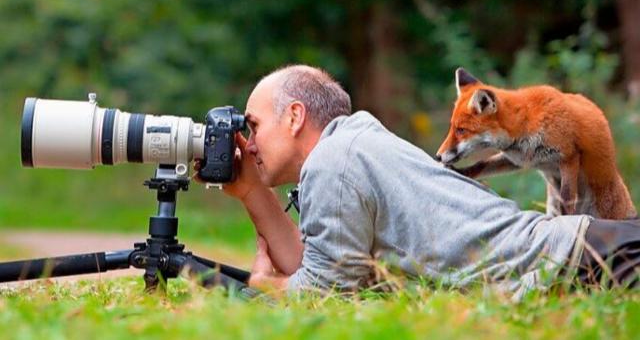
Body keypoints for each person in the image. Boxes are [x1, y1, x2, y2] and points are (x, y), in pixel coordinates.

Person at [198, 64, 640, 299]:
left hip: (578, 263)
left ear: (295, 116)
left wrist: (262, 285)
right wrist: (252, 191)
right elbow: (325, 266)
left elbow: (323, 294)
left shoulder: (334, 162)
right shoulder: (353, 146)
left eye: (253, 126)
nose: (248, 142)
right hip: (578, 251)